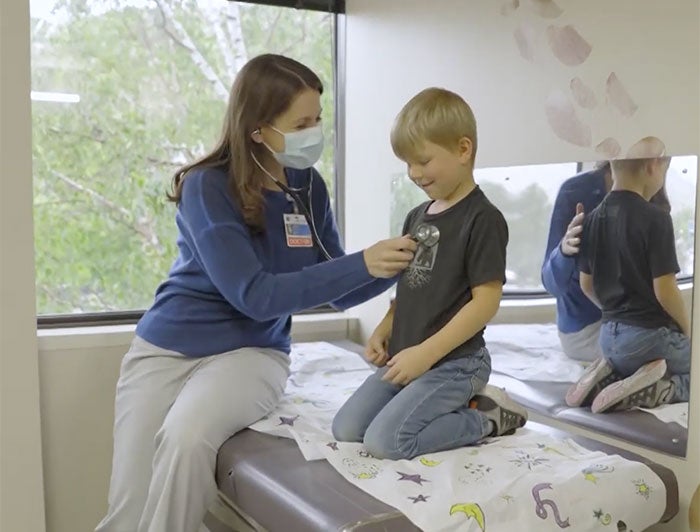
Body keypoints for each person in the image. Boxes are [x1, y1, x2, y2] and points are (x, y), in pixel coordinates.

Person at [95, 54, 418, 532]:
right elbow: (255, 294)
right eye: (301, 123)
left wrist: (402, 262)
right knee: (129, 505)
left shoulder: (308, 186)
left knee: (186, 439)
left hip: (251, 351)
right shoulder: (206, 186)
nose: (315, 133)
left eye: (318, 119)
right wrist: (364, 262)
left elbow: (337, 287)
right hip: (165, 347)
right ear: (257, 129)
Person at [331, 88, 528, 460]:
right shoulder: (417, 216)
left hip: (455, 362)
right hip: (410, 357)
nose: (413, 174)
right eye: (407, 164)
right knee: (347, 430)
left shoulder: (483, 220)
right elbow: (410, 285)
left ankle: (486, 418)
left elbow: (486, 303)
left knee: (386, 442)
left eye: (422, 161)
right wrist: (386, 328)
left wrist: (427, 353)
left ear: (463, 149)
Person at [570, 137, 690, 413]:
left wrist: (616, 313)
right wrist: (686, 330)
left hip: (609, 340)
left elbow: (586, 284)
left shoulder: (591, 220)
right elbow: (665, 290)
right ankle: (662, 389)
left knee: (635, 357)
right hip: (649, 340)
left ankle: (609, 375)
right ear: (653, 165)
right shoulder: (657, 218)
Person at [542, 162, 671, 365]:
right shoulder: (576, 191)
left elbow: (658, 288)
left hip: (633, 321)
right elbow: (552, 285)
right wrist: (564, 252)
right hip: (586, 329)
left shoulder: (654, 204)